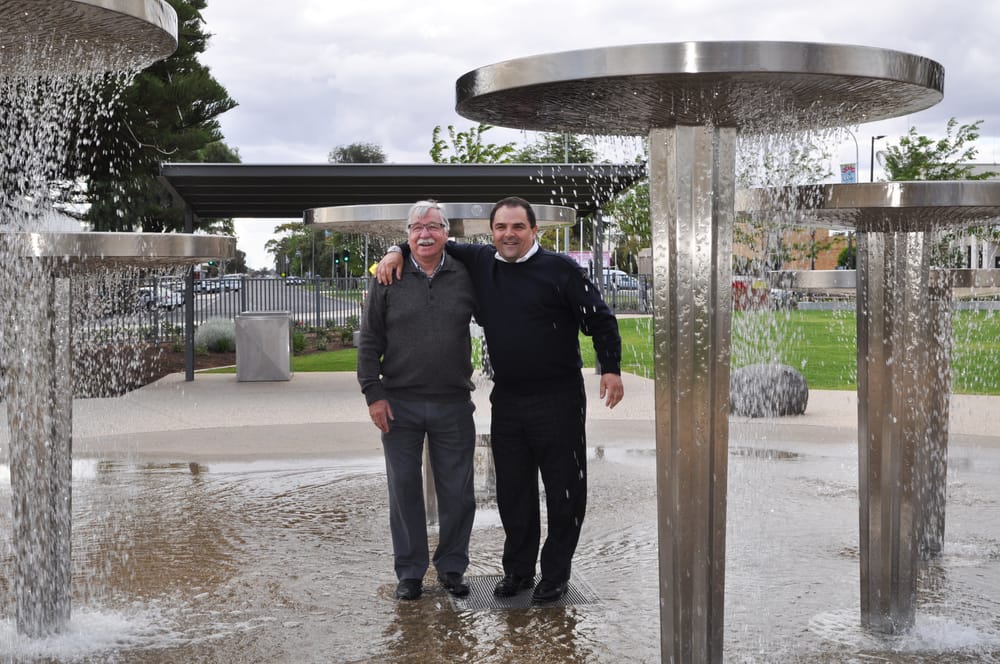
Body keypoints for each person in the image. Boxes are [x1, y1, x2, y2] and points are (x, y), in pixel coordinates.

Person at [378, 196, 624, 604]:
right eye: (501, 228)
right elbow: (430, 240)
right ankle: (519, 572)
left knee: (564, 491)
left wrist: (611, 368)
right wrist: (395, 249)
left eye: (518, 227)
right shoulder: (482, 261)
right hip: (508, 399)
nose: (509, 234)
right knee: (514, 493)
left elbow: (600, 318)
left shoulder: (559, 269)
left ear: (534, 231)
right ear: (491, 233)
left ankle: (556, 573)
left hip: (559, 398)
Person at [357, 200, 478, 601]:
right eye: (416, 228)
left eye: (433, 226)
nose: (425, 234)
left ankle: (452, 568)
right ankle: (409, 572)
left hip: (453, 403)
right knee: (404, 489)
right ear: (406, 235)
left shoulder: (466, 273)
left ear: (447, 232)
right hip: (399, 404)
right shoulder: (388, 275)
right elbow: (370, 337)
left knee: (458, 492)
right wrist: (373, 393)